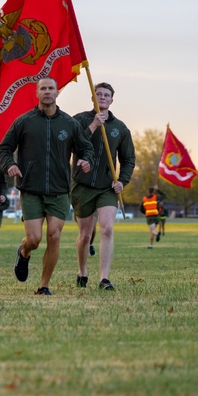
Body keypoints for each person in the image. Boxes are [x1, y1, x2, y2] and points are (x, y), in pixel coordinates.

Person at [0, 77, 93, 295]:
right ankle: (23, 252)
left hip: (59, 190)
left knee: (54, 236)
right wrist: (9, 165)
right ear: (36, 93)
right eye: (43, 89)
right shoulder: (24, 121)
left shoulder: (69, 124)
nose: (47, 92)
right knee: (34, 239)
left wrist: (87, 159)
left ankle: (44, 285)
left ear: (57, 92)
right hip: (31, 188)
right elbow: (4, 148)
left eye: (51, 88)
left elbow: (86, 148)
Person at [71, 82, 136, 290]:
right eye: (98, 94)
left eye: (106, 95)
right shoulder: (80, 120)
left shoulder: (120, 128)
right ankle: (82, 272)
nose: (102, 97)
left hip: (107, 187)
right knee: (85, 234)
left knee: (107, 229)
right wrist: (93, 126)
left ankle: (104, 278)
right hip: (82, 185)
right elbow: (72, 144)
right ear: (93, 98)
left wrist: (122, 181)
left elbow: (128, 160)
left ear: (111, 100)